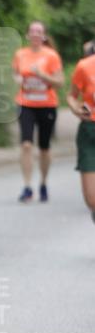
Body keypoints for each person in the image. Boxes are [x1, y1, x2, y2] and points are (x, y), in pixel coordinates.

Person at [12, 22, 64, 202]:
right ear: (27, 35)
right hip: (25, 103)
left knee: (44, 148)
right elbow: (15, 73)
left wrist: (42, 75)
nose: (35, 34)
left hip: (47, 104)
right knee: (26, 144)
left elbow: (59, 82)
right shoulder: (20, 54)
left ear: (43, 36)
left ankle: (43, 182)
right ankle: (27, 186)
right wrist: (18, 79)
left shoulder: (51, 56)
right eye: (32, 31)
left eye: (39, 32)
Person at [66, 52, 95, 223]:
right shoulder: (84, 66)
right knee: (91, 199)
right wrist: (75, 107)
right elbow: (71, 96)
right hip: (89, 131)